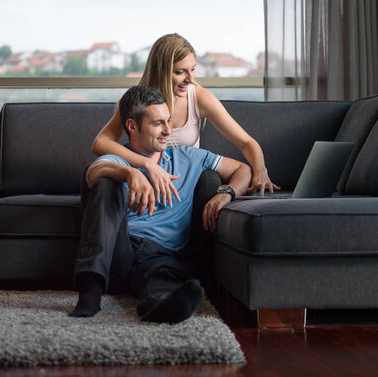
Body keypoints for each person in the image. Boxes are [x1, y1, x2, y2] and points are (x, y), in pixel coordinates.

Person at [70, 86, 253, 324]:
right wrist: (129, 172)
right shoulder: (118, 158)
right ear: (132, 126)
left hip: (159, 254)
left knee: (164, 279)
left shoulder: (188, 157)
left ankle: (160, 305)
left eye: (168, 121)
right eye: (158, 123)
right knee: (105, 182)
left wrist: (226, 193)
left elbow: (243, 169)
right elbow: (94, 171)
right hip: (117, 251)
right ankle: (90, 293)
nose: (168, 130)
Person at [92, 33, 279, 216]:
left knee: (209, 179)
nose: (190, 79)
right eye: (180, 72)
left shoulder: (199, 97)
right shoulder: (139, 101)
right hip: (147, 182)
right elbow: (100, 143)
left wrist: (260, 170)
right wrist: (148, 165)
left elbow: (246, 142)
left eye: (193, 69)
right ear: (161, 71)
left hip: (186, 187)